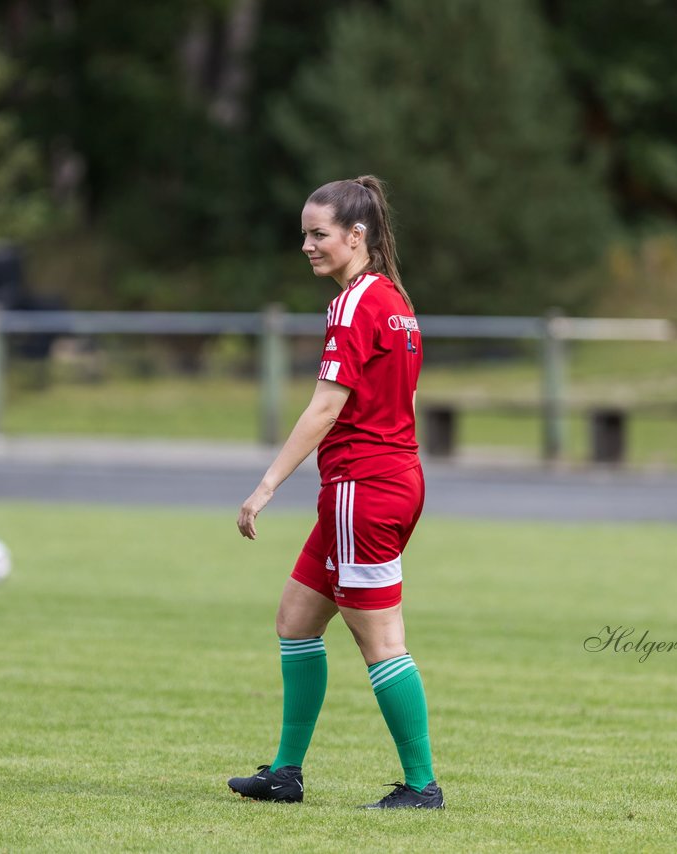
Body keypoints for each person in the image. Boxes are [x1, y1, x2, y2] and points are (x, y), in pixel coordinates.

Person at [228, 176, 443, 810]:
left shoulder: (354, 304)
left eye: (318, 234)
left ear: (357, 236)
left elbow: (327, 406)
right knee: (295, 620)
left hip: (365, 488)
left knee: (381, 643)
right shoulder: (394, 298)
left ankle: (422, 786)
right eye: (304, 234)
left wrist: (265, 486)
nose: (307, 245)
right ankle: (286, 774)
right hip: (389, 480)